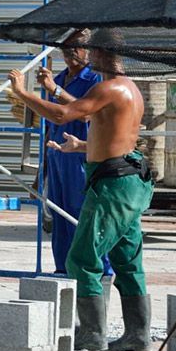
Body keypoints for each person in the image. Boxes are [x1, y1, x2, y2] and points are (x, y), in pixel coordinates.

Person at [9, 38, 154, 351]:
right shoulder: (130, 88)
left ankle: (92, 334)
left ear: (100, 53)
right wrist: (83, 147)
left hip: (113, 185)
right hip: (127, 179)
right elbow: (120, 138)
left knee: (82, 258)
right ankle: (138, 335)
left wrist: (23, 93)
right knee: (126, 258)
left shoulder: (109, 88)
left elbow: (62, 115)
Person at [29, 31, 113, 286]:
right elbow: (51, 121)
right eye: (65, 47)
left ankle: (97, 272)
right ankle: (63, 272)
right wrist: (40, 172)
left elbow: (87, 114)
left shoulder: (96, 79)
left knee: (82, 216)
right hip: (57, 156)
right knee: (60, 215)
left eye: (76, 47)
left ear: (88, 50)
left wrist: (55, 91)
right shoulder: (57, 79)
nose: (69, 52)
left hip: (81, 155)